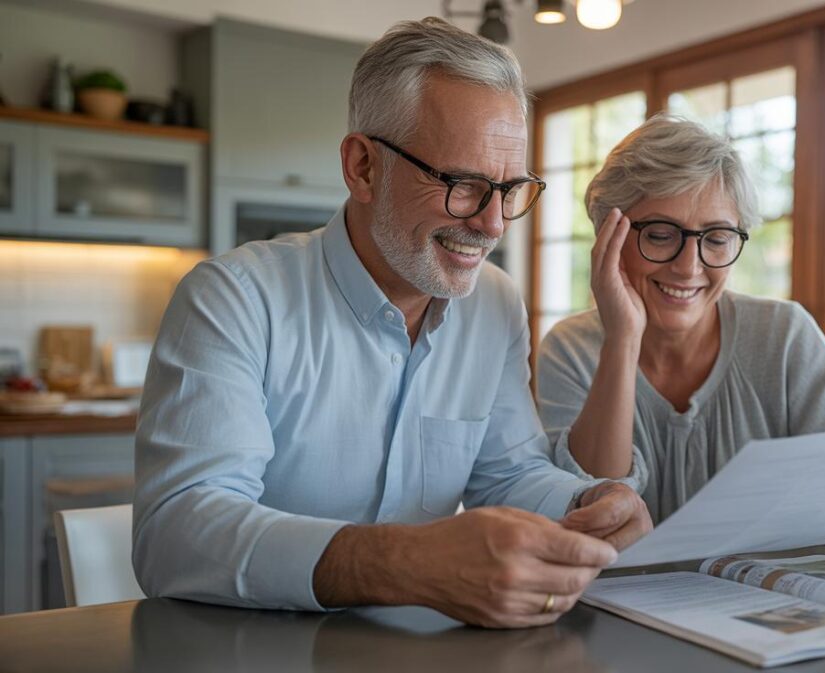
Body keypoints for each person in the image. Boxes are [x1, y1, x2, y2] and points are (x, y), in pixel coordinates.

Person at [133, 17, 650, 628]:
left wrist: (584, 500)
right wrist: (406, 562)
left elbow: (509, 472)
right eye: (462, 185)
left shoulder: (494, 304)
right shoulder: (234, 299)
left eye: (510, 190)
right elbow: (176, 532)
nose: (492, 225)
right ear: (363, 167)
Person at [536, 115, 825, 566]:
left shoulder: (782, 336)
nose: (689, 267)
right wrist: (622, 338)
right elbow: (598, 515)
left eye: (716, 238)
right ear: (607, 236)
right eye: (659, 234)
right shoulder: (569, 350)